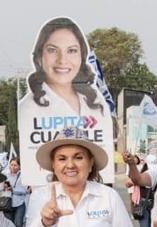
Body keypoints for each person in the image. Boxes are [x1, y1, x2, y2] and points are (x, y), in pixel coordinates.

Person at [18, 16, 115, 187]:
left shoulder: (96, 102)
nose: (62, 59)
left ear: (82, 56)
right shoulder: (28, 107)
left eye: (72, 50)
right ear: (40, 57)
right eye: (53, 50)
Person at [6, 158, 28, 227]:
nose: (13, 167)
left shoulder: (23, 176)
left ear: (19, 166)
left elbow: (25, 190)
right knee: (9, 225)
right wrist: (3, 186)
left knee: (18, 224)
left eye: (15, 165)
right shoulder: (6, 176)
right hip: (8, 204)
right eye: (11, 164)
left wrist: (13, 190)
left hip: (19, 203)